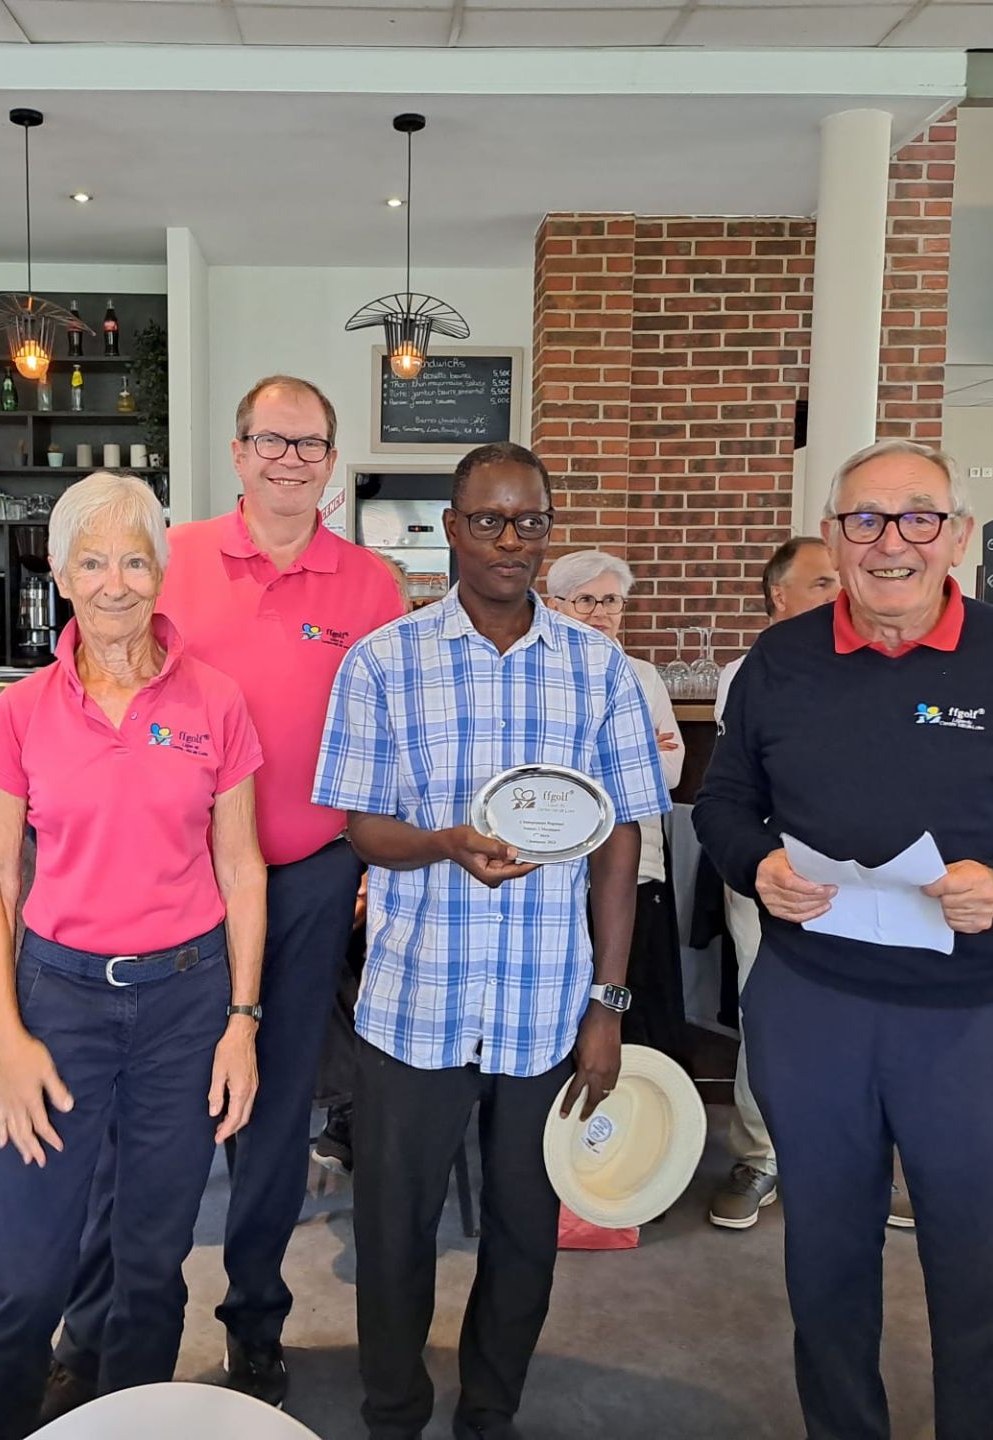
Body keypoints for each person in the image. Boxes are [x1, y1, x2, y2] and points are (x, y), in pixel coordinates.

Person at [695, 439, 993, 1440]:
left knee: (986, 1275)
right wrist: (757, 865)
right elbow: (724, 806)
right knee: (826, 1268)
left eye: (918, 517)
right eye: (864, 520)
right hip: (813, 1008)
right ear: (832, 535)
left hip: (975, 1019)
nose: (891, 542)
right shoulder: (780, 662)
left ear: (958, 536)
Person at [46, 378, 405, 1414]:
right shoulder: (173, 557)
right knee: (134, 1116)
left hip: (311, 883)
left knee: (274, 1115)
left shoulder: (371, 586)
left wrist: (371, 862)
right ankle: (92, 1329)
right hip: (177, 884)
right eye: (271, 440)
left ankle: (255, 1322)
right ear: (239, 451)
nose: (290, 459)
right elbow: (110, 681)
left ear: (331, 461)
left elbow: (392, 739)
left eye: (310, 444)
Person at [314, 442, 669, 1440]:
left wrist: (608, 1006)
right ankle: (393, 1412)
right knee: (394, 1234)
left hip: (545, 1009)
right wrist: (442, 843)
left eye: (529, 522)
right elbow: (360, 828)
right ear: (452, 529)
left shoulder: (598, 669)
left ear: (547, 531)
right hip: (415, 1003)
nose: (511, 541)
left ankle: (489, 1414)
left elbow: (620, 846)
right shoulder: (383, 662)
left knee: (525, 1237)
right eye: (488, 520)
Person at [0, 474, 267, 1440]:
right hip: (60, 1002)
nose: (115, 582)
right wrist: (7, 1040)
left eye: (135, 559)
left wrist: (242, 1023)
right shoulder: (22, 711)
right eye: (92, 562)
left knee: (151, 1268)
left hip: (185, 1005)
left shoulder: (216, 701)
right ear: (60, 575)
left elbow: (242, 866)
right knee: (26, 1272)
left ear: (162, 572)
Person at [706, 535, 841, 1230]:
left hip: (865, 879)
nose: (837, 593)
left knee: (863, 1015)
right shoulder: (751, 672)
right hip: (775, 872)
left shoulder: (876, 664)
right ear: (777, 596)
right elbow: (731, 792)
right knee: (769, 1011)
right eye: (820, 583)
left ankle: (853, 1158)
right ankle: (760, 1155)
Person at [543, 548, 688, 1051]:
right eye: (586, 600)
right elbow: (541, 781)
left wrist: (583, 760)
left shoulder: (643, 676)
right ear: (554, 605)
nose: (601, 613)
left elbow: (667, 773)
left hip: (638, 870)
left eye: (612, 601)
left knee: (638, 1017)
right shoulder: (536, 676)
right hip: (551, 871)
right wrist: (634, 749)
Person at [312, 548, 415, 1177]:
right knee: (312, 949)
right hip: (342, 858)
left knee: (351, 953)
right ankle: (348, 1104)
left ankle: (354, 1108)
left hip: (413, 873)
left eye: (392, 601)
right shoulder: (344, 671)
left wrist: (374, 883)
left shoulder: (428, 679)